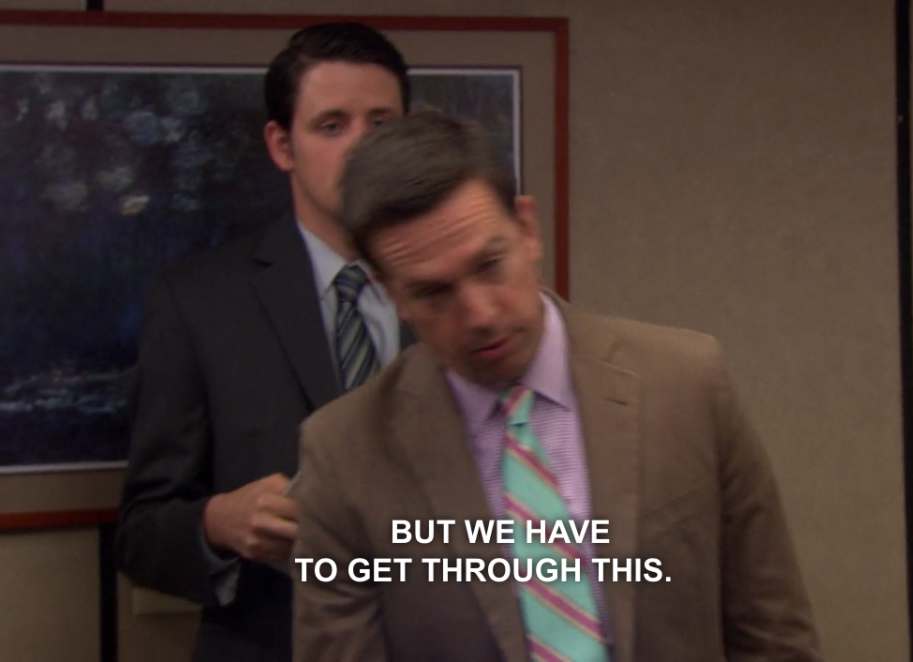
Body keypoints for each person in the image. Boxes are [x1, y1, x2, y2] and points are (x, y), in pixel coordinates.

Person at [291, 112, 823, 661]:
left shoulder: (685, 384)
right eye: (433, 293)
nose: (479, 314)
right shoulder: (345, 455)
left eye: (489, 265)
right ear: (388, 291)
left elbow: (773, 633)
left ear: (527, 229)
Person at [115, 22, 413, 661]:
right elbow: (141, 534)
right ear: (283, 146)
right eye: (331, 126)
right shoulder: (198, 302)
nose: (362, 148)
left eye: (382, 125)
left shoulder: (460, 293)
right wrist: (216, 524)